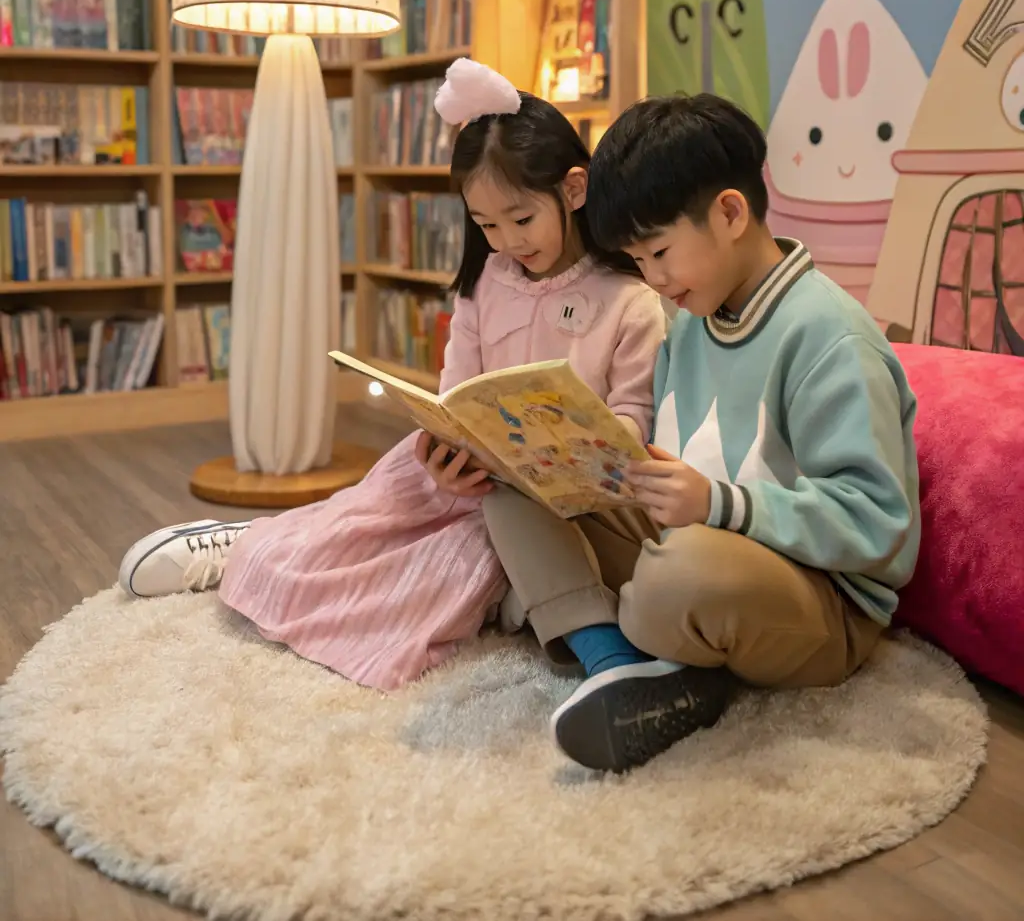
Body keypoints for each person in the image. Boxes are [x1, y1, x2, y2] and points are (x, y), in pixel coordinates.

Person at [118, 60, 666, 692]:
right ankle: (250, 545)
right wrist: (442, 448)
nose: (507, 241)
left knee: (439, 583)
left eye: (521, 219)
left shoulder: (629, 300)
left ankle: (564, 630)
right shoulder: (486, 283)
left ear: (574, 190)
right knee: (326, 545)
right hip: (456, 479)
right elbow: (457, 392)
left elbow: (632, 423)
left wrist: (567, 455)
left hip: (554, 502)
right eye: (486, 225)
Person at [482, 92, 921, 774]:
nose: (653, 277)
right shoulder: (689, 324)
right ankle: (618, 660)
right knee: (512, 488)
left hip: (818, 599)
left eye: (658, 251)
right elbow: (676, 474)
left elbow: (875, 525)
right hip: (694, 545)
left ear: (730, 212)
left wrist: (718, 504)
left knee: (673, 579)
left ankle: (641, 638)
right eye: (637, 258)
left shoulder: (829, 337)